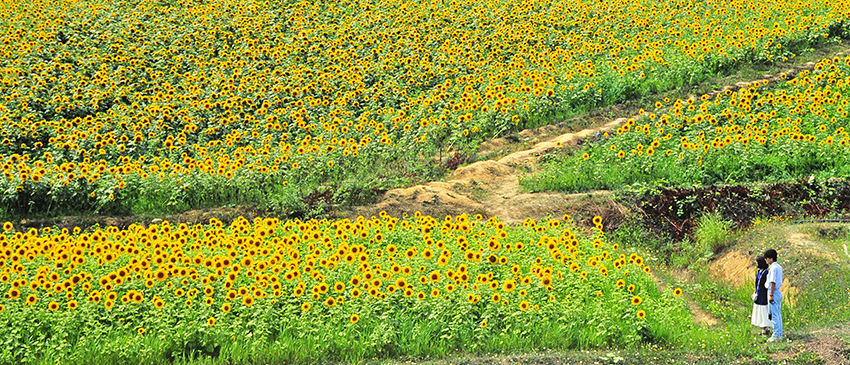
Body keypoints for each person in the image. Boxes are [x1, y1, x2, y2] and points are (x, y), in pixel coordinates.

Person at [764, 249, 783, 342]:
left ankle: (776, 335)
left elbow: (773, 282)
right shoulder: (778, 267)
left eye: (767, 258)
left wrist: (771, 294)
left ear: (770, 259)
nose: (766, 261)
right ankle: (779, 333)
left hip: (773, 292)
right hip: (777, 292)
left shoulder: (773, 268)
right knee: (778, 314)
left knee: (775, 315)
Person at [750, 256, 771, 335]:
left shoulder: (766, 273)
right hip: (758, 294)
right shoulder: (759, 271)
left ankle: (765, 328)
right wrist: (754, 292)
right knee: (759, 311)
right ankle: (764, 328)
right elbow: (757, 284)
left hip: (763, 295)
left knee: (763, 311)